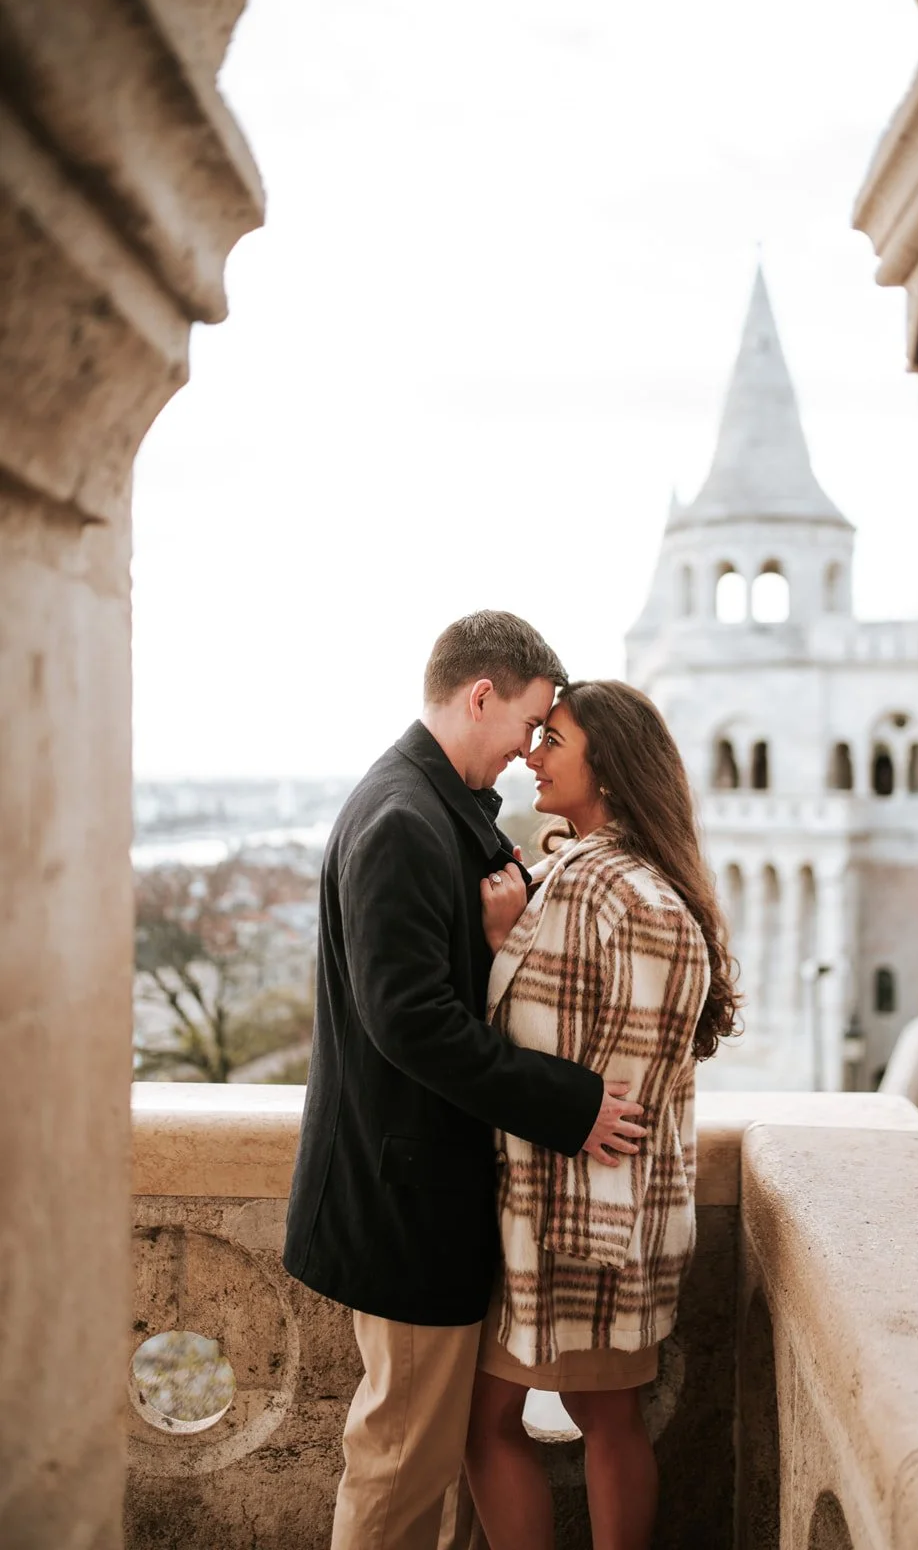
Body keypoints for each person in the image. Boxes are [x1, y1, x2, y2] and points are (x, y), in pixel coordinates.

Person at [282, 614, 648, 1550]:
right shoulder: (404, 819)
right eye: (527, 723)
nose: (531, 748)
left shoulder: (425, 807)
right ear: (479, 696)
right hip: (405, 1194)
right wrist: (570, 1106)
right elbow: (409, 1023)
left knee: (426, 1458)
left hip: (420, 1188)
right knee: (401, 1459)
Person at [463, 680, 741, 1550]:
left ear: (609, 766)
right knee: (608, 1416)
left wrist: (503, 945)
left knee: (489, 1426)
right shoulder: (639, 879)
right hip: (620, 1212)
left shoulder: (599, 887)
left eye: (555, 740)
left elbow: (571, 1069)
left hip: (569, 1216)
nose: (532, 755)